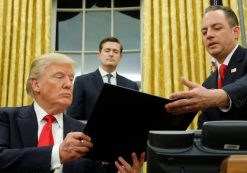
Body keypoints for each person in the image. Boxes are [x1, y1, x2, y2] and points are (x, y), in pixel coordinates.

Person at [0, 53, 145, 173]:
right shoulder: (6, 118)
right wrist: (57, 154)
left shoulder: (84, 132)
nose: (69, 85)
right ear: (36, 84)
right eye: (59, 77)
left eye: (71, 79)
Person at [165, 5, 247, 128]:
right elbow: (202, 131)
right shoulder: (207, 85)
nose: (209, 35)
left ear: (235, 32)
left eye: (217, 28)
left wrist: (219, 96)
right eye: (204, 32)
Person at [67, 37, 139, 120]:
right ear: (99, 54)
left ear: (120, 57)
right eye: (107, 50)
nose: (111, 54)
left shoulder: (131, 86)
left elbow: (135, 117)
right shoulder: (82, 81)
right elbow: (73, 117)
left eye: (115, 51)